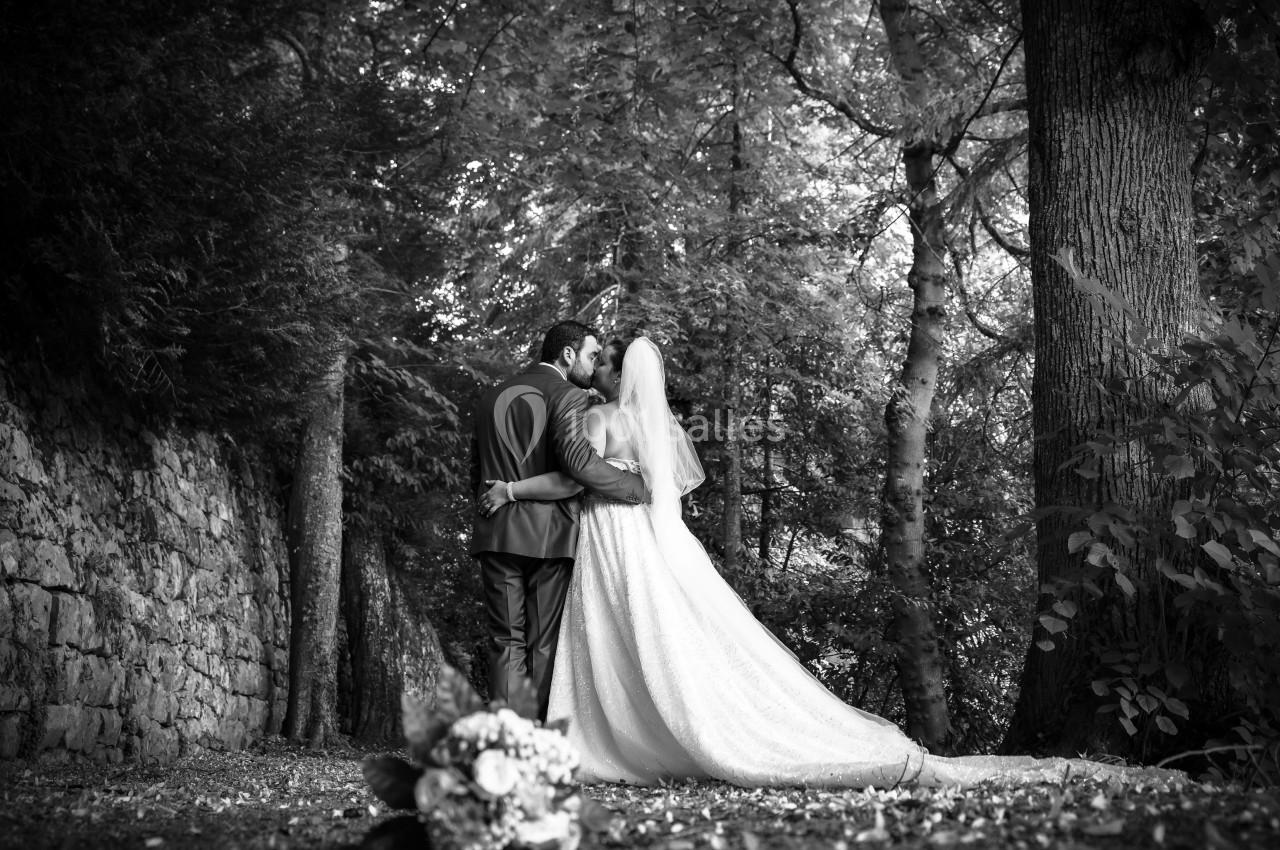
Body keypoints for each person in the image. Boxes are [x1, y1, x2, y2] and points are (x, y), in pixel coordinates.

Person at [478, 337, 1181, 788]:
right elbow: (663, 489)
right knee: (658, 625)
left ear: (614, 374)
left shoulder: (596, 417)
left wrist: (513, 489)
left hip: (607, 535)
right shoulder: (658, 426)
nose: (595, 369)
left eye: (602, 361)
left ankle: (596, 731)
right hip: (649, 536)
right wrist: (638, 495)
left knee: (605, 629)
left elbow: (574, 477)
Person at [470, 322, 647, 722]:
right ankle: (535, 733)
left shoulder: (492, 395)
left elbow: (475, 469)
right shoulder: (568, 395)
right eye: (591, 355)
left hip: (496, 531)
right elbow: (579, 467)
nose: (594, 364)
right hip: (549, 536)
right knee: (543, 641)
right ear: (568, 354)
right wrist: (637, 488)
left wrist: (488, 507)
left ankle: (508, 736)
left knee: (504, 639)